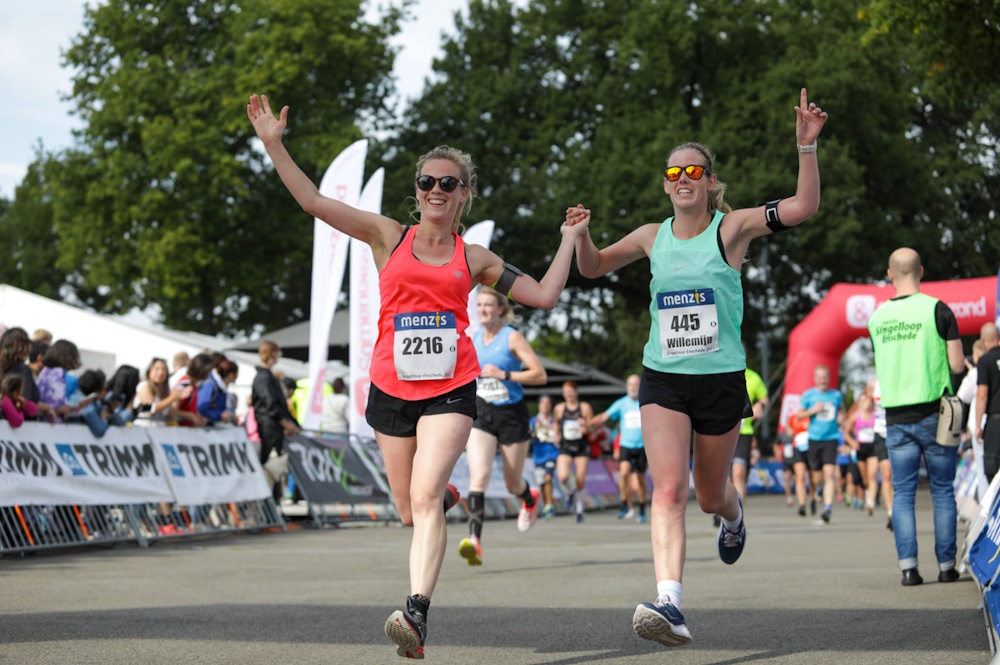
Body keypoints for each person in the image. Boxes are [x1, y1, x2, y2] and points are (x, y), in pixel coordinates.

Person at [247, 91, 588, 659]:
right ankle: (444, 496)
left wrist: (568, 241)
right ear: (417, 191)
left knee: (426, 500)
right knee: (410, 509)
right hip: (390, 389)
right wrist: (274, 146)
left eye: (447, 183)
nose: (435, 190)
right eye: (427, 182)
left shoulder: (474, 257)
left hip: (451, 390)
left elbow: (546, 295)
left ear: (464, 193)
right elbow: (311, 201)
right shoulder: (388, 236)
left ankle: (416, 613)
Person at [572, 87, 827, 646]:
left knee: (711, 496)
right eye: (674, 170)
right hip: (663, 379)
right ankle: (671, 602)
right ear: (666, 184)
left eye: (695, 170)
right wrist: (582, 235)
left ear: (711, 182)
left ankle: (734, 519)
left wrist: (806, 148)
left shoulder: (730, 228)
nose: (684, 176)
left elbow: (803, 208)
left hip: (719, 382)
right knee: (668, 491)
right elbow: (591, 269)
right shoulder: (649, 236)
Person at [867, 247, 965, 586]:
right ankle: (946, 566)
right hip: (935, 413)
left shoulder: (877, 318)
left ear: (890, 275)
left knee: (903, 493)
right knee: (942, 490)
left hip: (895, 417)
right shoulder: (938, 310)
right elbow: (956, 365)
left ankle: (909, 568)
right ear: (921, 272)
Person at [459, 286, 547, 565]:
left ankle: (529, 498)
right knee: (480, 476)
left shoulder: (512, 337)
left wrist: (505, 374)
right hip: (482, 413)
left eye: (488, 305)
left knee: (511, 483)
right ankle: (474, 540)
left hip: (512, 414)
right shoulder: (473, 339)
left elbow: (539, 374)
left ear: (500, 309)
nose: (483, 309)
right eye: (480, 304)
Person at [591, 374, 648, 523]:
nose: (633, 388)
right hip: (626, 445)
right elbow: (605, 416)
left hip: (642, 446)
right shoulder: (622, 403)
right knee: (623, 473)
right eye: (630, 385)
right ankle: (624, 503)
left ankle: (642, 507)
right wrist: (591, 423)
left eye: (636, 385)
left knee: (641, 480)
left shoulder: (645, 402)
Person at [795, 365, 844, 524]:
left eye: (825, 377)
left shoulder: (836, 395)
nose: (823, 380)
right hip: (814, 439)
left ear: (829, 378)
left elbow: (842, 410)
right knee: (817, 478)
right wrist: (813, 410)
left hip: (831, 438)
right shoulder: (809, 395)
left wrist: (841, 418)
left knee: (829, 474)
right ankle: (818, 492)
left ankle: (828, 508)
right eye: (820, 377)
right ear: (815, 378)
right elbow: (799, 415)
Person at [554, 381, 595, 523]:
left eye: (571, 391)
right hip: (565, 446)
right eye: (566, 391)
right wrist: (555, 435)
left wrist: (586, 428)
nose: (569, 394)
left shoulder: (584, 407)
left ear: (576, 392)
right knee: (563, 477)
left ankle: (579, 509)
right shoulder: (559, 408)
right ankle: (570, 492)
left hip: (581, 447)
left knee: (580, 480)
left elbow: (592, 428)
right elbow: (556, 423)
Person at [733, 362, 769, 508]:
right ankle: (723, 512)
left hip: (743, 433)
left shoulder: (753, 377)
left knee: (739, 473)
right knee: (726, 480)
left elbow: (765, 400)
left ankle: (737, 517)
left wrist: (760, 406)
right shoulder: (717, 372)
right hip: (721, 431)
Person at [0, 327, 53, 421]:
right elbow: (23, 401)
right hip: (19, 430)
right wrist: (46, 407)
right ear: (22, 346)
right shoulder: (22, 369)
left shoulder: (3, 367)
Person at [958, 339, 989, 500]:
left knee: (982, 469)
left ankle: (986, 511)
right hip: (992, 422)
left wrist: (970, 373)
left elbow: (963, 396)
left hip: (980, 426)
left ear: (977, 354)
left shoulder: (975, 373)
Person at [844, 392, 879, 516]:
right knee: (865, 479)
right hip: (860, 448)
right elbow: (846, 433)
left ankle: (871, 501)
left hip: (873, 447)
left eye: (867, 400)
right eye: (862, 400)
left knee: (872, 475)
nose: (865, 402)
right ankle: (867, 492)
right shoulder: (855, 416)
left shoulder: (876, 415)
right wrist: (852, 442)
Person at [36, 339, 82, 421]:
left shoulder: (47, 369)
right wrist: (67, 409)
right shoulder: (57, 373)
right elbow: (54, 404)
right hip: (49, 422)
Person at [132, 358, 187, 426]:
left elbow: (171, 416)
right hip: (143, 429)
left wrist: (177, 398)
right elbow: (151, 410)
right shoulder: (144, 385)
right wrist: (172, 398)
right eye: (157, 369)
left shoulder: (165, 391)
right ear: (150, 371)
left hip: (159, 431)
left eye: (163, 369)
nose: (160, 372)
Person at [977, 323, 1000, 483]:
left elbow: (982, 395)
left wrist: (977, 425)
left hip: (995, 421)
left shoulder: (985, 361)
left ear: (984, 340)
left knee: (992, 466)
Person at [530, 395, 559, 519]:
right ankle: (546, 505)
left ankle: (549, 505)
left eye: (548, 403)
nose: (545, 405)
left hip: (552, 453)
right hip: (538, 455)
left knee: (548, 478)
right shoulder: (533, 421)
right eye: (543, 403)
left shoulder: (555, 420)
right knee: (541, 481)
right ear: (539, 405)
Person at [198, 357, 239, 425]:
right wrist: (220, 415)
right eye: (236, 375)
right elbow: (201, 408)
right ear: (231, 375)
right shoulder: (210, 385)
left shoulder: (221, 389)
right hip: (205, 429)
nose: (237, 378)